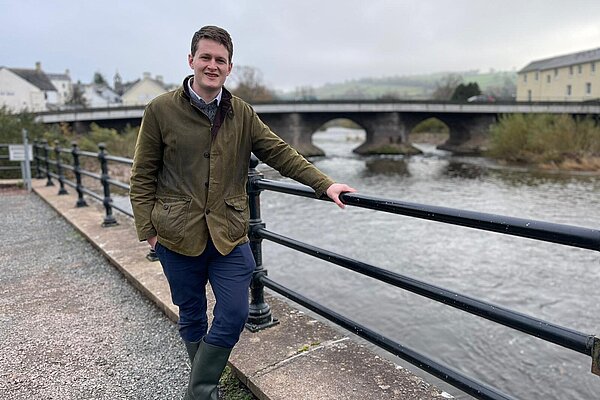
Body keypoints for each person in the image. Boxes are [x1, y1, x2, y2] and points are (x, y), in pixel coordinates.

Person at [130, 25, 356, 400]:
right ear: (191, 61)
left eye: (220, 60)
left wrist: (324, 183)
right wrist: (149, 232)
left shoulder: (242, 113)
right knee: (191, 315)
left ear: (229, 67)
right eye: (206, 57)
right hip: (176, 234)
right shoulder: (160, 110)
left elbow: (280, 153)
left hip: (229, 233)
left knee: (234, 313)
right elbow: (142, 176)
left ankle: (197, 392)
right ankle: (206, 388)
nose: (212, 65)